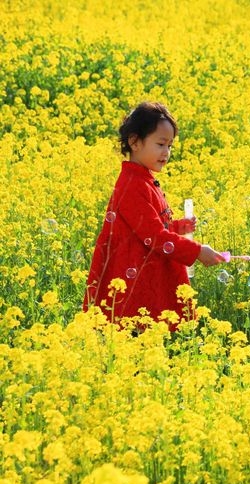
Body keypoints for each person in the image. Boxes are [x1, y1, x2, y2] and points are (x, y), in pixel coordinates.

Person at [84, 102, 225, 328]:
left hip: (144, 275)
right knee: (138, 337)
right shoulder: (132, 185)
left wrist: (178, 226)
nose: (166, 152)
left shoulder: (143, 180)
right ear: (134, 142)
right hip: (134, 286)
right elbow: (154, 235)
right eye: (160, 144)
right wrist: (197, 251)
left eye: (170, 146)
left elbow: (150, 227)